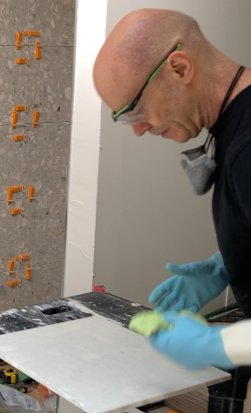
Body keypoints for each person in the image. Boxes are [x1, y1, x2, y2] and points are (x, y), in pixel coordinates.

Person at [93, 9, 251, 369]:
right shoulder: (234, 125)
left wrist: (215, 344)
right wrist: (228, 264)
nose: (138, 129)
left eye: (135, 110)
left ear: (179, 67)